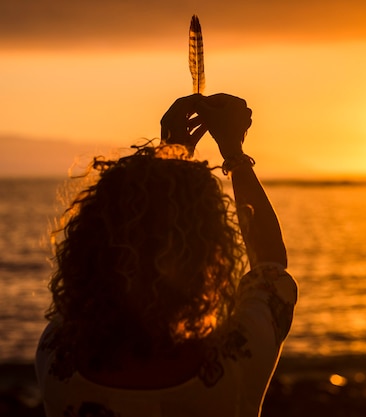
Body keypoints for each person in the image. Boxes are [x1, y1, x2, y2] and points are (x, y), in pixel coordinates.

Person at [35, 93, 297, 417]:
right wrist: (233, 152)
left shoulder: (58, 356)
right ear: (209, 251)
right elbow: (269, 266)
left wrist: (172, 158)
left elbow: (139, 239)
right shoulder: (235, 361)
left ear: (90, 246)